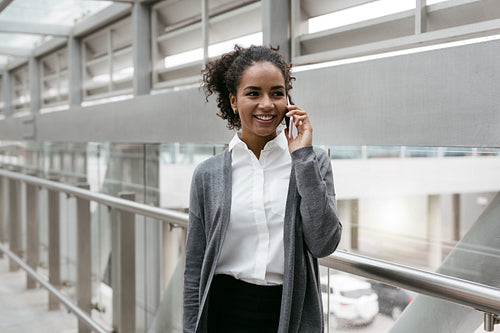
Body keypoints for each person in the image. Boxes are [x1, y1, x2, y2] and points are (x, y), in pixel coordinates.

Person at [183, 45, 342, 333]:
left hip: (286, 312)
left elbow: (324, 243)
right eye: (253, 93)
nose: (267, 104)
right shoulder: (207, 175)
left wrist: (302, 158)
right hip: (223, 311)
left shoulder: (312, 161)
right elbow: (194, 268)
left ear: (288, 101)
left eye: (277, 93)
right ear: (233, 100)